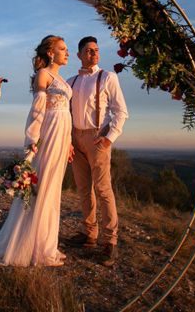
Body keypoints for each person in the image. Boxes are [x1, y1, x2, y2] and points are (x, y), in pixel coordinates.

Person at [0, 35, 72, 271]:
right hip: (49, 133)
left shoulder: (61, 78)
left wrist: (69, 142)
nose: (67, 53)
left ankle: (46, 243)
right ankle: (35, 245)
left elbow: (65, 112)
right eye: (63, 49)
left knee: (54, 188)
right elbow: (37, 110)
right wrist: (32, 141)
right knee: (44, 186)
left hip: (62, 135)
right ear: (50, 52)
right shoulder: (44, 75)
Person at [66, 36, 129, 267]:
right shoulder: (70, 81)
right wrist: (67, 140)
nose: (93, 54)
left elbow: (121, 111)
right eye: (89, 51)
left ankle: (110, 241)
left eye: (96, 50)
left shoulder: (108, 77)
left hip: (96, 137)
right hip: (74, 137)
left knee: (103, 189)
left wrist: (109, 138)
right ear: (79, 54)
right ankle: (89, 233)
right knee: (83, 188)